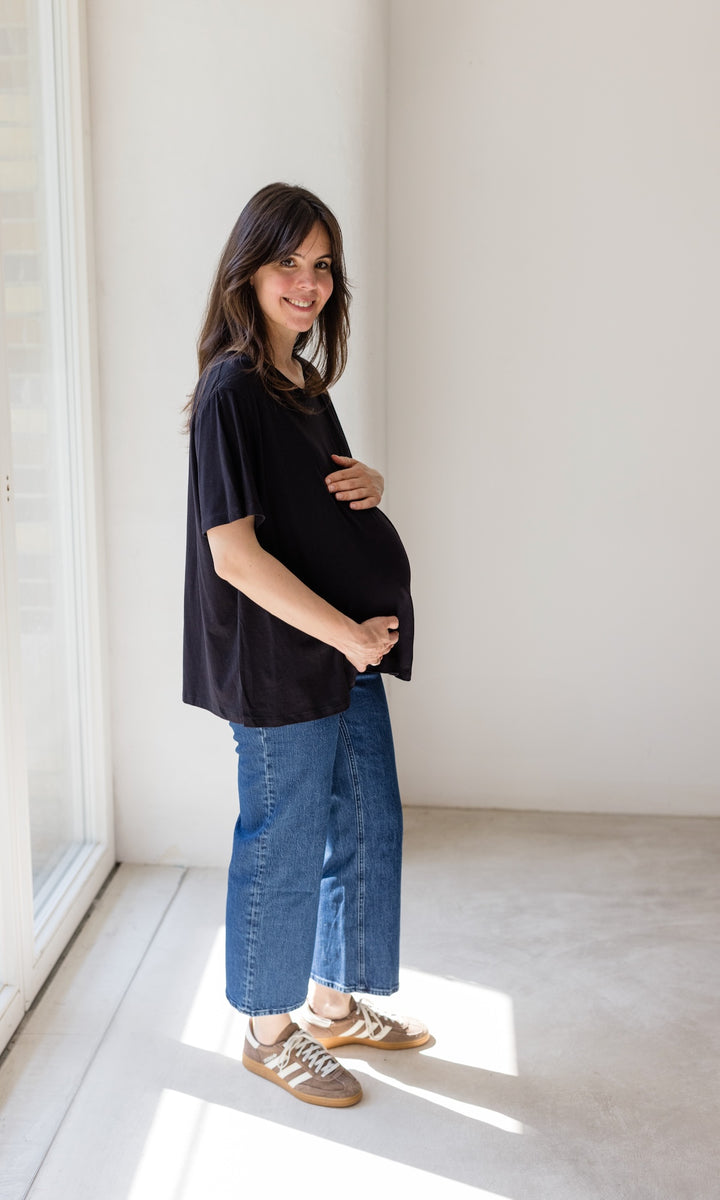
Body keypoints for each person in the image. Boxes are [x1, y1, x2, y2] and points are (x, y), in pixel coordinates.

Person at [183, 182, 428, 1109]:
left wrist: (368, 479)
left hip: (341, 651)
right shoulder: (231, 393)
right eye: (289, 260)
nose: (309, 281)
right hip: (286, 660)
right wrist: (347, 634)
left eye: (322, 264)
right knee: (283, 841)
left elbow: (312, 511)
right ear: (248, 267)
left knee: (366, 823)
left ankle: (330, 1002)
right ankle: (268, 1030)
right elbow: (235, 556)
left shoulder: (300, 388)